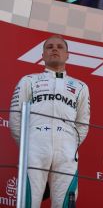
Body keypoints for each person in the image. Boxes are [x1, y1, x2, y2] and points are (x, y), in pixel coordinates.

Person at [9, 35, 90, 207]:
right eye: (49, 47)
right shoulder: (28, 80)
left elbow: (83, 124)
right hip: (35, 147)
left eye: (60, 47)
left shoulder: (81, 87)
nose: (54, 49)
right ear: (43, 55)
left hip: (67, 151)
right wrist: (28, 145)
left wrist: (70, 145)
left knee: (65, 204)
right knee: (27, 202)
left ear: (67, 55)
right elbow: (16, 118)